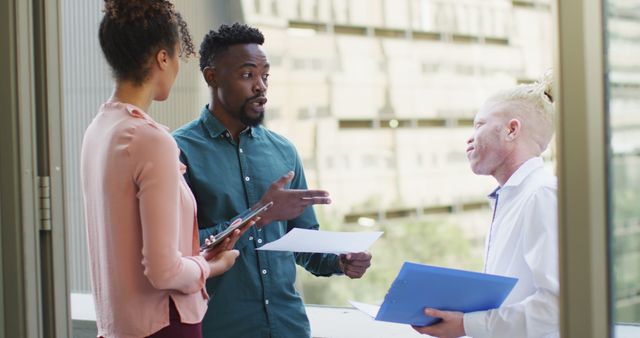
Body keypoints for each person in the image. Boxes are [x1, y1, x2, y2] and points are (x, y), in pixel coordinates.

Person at [173, 23, 373, 338]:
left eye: (265, 76)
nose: (261, 87)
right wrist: (259, 213)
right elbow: (178, 250)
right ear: (212, 77)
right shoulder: (179, 151)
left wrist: (339, 260)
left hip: (288, 328)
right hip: (221, 329)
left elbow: (304, 244)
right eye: (247, 75)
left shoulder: (283, 151)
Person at [81, 2, 252, 337]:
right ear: (162, 58)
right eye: (176, 57)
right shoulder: (150, 139)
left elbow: (132, 245)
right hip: (163, 326)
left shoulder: (99, 129)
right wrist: (210, 265)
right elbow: (163, 272)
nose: (177, 67)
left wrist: (197, 253)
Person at [413, 73, 559, 338]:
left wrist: (467, 324)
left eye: (479, 124)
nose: (469, 139)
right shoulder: (512, 197)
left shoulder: (542, 195)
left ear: (511, 130)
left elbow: (557, 306)